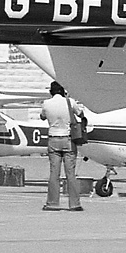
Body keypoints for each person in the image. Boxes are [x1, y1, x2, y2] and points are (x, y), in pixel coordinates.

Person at [40, 81, 85, 211]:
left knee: (54, 173)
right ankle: (75, 204)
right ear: (63, 91)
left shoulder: (46, 103)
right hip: (68, 139)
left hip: (53, 139)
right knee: (70, 173)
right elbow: (80, 114)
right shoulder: (69, 102)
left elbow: (42, 116)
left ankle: (52, 203)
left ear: (51, 92)